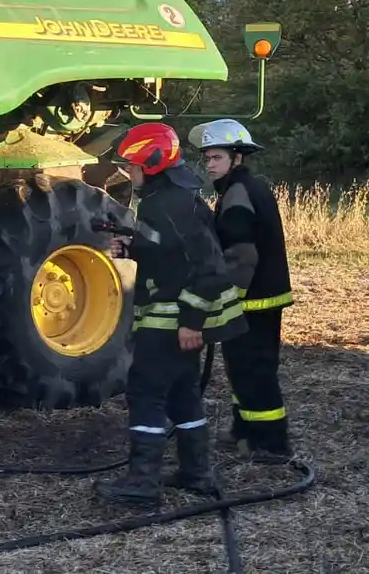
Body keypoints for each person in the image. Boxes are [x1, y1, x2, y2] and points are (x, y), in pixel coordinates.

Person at [94, 123, 247, 505]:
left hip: (171, 323)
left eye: (132, 166)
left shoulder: (169, 205)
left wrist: (192, 323)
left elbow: (210, 266)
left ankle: (142, 484)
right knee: (182, 394)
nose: (128, 172)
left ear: (152, 163)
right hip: (173, 322)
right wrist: (135, 248)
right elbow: (171, 252)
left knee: (145, 392)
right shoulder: (170, 198)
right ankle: (196, 473)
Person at [188, 119, 294, 463]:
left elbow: (241, 255)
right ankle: (242, 430)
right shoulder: (249, 187)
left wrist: (225, 299)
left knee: (254, 370)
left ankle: (271, 445)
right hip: (261, 298)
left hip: (251, 300)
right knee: (244, 367)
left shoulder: (237, 194)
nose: (210, 165)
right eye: (207, 159)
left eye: (216, 157)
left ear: (237, 158)